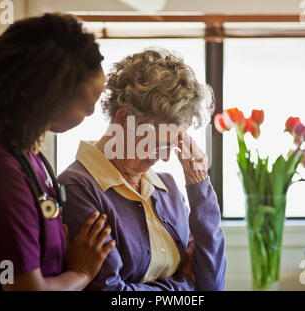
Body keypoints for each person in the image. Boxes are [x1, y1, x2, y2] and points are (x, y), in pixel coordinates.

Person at [0, 13, 115, 291]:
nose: (92, 113)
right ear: (46, 102)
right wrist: (82, 271)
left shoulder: (10, 140)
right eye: (88, 106)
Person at [58, 49, 226, 290]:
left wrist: (200, 189)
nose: (167, 157)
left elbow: (213, 284)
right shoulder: (78, 188)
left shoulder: (166, 187)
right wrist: (185, 283)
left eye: (174, 143)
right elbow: (111, 291)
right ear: (124, 120)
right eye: (159, 144)